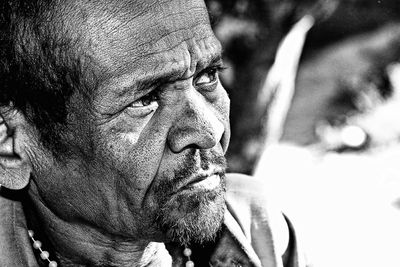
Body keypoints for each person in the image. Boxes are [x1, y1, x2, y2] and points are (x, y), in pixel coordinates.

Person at [0, 0, 305, 266]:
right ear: (11, 146)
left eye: (208, 75)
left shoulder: (258, 231)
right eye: (144, 100)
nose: (210, 130)